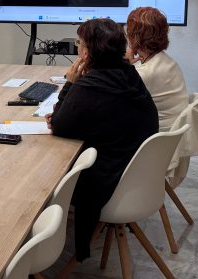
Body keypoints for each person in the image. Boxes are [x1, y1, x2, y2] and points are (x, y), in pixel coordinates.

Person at [46, 18, 158, 261]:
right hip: (138, 177)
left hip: (108, 184)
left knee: (44, 174)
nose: (78, 47)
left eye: (79, 43)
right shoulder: (128, 75)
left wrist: (70, 83)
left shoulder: (92, 85)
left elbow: (59, 125)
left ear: (87, 52)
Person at [126, 7, 188, 131]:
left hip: (154, 135)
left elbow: (112, 101)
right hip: (172, 134)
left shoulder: (144, 73)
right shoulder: (168, 61)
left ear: (135, 37)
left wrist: (124, 64)